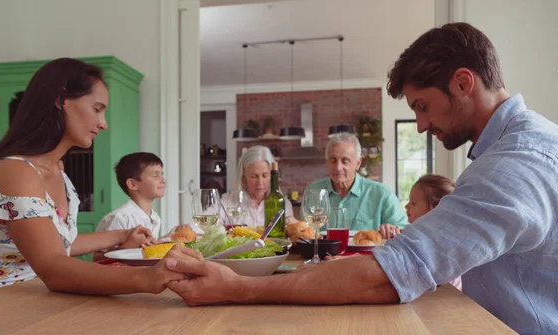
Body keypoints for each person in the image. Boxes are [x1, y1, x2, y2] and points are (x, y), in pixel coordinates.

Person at [163, 23, 558, 334]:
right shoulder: (526, 144)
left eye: (422, 107)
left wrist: (236, 287)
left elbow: (390, 274)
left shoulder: (512, 165)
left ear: (463, 82)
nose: (420, 126)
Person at [0, 58, 188, 297]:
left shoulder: (58, 170)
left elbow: (59, 242)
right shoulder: (16, 172)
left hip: (29, 299)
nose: (104, 124)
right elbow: (53, 267)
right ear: (60, 100)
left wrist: (121, 236)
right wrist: (149, 277)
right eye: (97, 109)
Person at [305, 132, 407, 234]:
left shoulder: (383, 194)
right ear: (327, 163)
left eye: (345, 161)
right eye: (333, 160)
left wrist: (391, 229)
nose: (338, 167)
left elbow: (403, 232)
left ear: (358, 163)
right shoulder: (313, 191)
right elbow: (305, 233)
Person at [92, 152, 166, 261]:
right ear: (133, 184)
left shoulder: (155, 217)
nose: (163, 180)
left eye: (162, 174)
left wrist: (167, 238)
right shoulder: (119, 218)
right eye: (155, 175)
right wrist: (128, 246)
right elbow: (97, 259)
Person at [403, 174, 460, 290]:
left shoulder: (440, 243)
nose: (406, 206)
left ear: (436, 209)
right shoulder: (419, 235)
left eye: (413, 203)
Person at [218, 146, 293, 226]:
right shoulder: (226, 201)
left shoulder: (283, 204)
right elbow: (204, 228)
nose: (260, 183)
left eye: (265, 176)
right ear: (244, 177)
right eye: (253, 176)